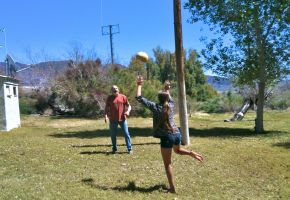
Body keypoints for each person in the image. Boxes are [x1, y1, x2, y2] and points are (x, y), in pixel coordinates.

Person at [135, 76, 204, 193]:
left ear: (158, 98)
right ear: (168, 97)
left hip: (167, 137)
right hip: (176, 133)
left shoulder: (156, 107)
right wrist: (167, 88)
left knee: (167, 164)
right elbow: (167, 96)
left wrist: (139, 84)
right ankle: (191, 153)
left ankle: (172, 188)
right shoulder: (170, 105)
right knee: (177, 150)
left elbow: (139, 97)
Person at [105, 85, 133, 154]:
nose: (115, 90)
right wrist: (105, 116)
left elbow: (129, 106)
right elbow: (106, 108)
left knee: (126, 134)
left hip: (122, 119)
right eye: (113, 89)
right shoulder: (109, 98)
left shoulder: (123, 97)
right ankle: (114, 149)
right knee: (113, 135)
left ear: (118, 89)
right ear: (111, 91)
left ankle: (129, 149)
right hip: (113, 120)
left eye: (116, 88)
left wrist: (128, 111)